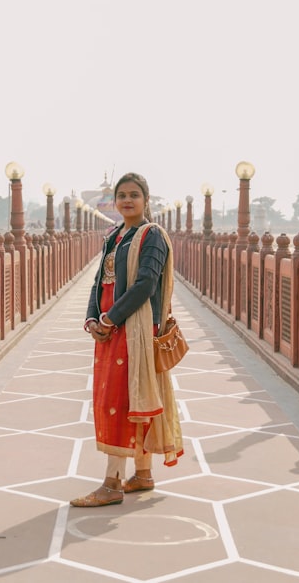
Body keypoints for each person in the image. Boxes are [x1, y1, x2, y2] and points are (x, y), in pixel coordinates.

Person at [71, 172, 184, 508]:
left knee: (122, 402)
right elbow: (98, 282)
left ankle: (111, 483)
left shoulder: (153, 237)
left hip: (134, 331)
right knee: (122, 398)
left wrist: (110, 318)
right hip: (110, 331)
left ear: (146, 200)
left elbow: (146, 284)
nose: (127, 201)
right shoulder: (115, 236)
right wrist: (93, 317)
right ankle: (143, 473)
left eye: (134, 195)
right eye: (122, 195)